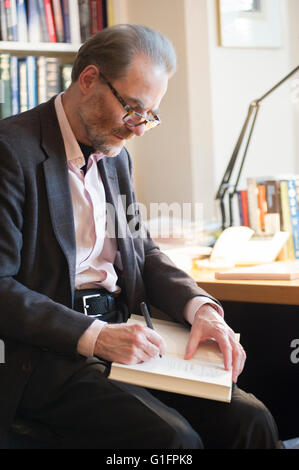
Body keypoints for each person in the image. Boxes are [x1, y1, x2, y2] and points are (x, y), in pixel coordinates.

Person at [0, 24, 279, 449]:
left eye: (149, 115)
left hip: (130, 332)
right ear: (89, 79)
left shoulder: (116, 158)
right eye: (132, 109)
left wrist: (199, 306)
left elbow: (142, 252)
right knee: (174, 441)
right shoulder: (11, 150)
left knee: (251, 420)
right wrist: (95, 336)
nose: (139, 129)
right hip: (48, 355)